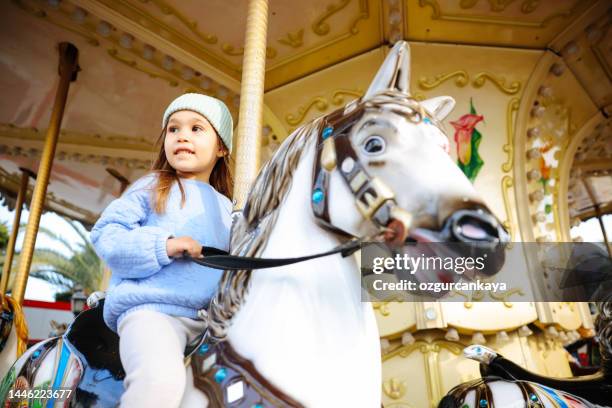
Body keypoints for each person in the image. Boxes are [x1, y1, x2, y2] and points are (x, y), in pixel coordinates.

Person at [91, 93, 234, 407]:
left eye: (197, 128)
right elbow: (107, 235)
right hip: (153, 312)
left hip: (209, 324)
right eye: (174, 129)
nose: (182, 135)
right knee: (158, 383)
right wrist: (164, 245)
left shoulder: (228, 210)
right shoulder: (154, 186)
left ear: (221, 147)